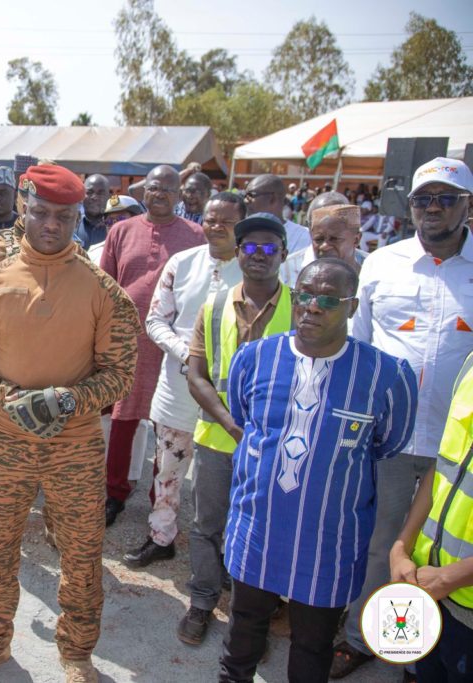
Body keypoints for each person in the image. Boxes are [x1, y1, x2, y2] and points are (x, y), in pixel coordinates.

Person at [0, 164, 139, 683]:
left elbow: (120, 374)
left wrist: (69, 400)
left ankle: (76, 655)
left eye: (64, 215)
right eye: (42, 212)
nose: (52, 223)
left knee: (80, 555)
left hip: (74, 448)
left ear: (79, 216)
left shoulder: (103, 291)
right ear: (25, 208)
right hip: (7, 444)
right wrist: (4, 397)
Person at [219, 258, 418, 683]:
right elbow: (244, 419)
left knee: (312, 646)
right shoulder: (254, 358)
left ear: (353, 306)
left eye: (327, 299)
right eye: (304, 295)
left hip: (330, 539)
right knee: (243, 632)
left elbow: (388, 442)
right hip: (258, 527)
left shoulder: (386, 374)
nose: (311, 307)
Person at [333, 157, 473, 679]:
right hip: (389, 440)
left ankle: (428, 652)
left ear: (467, 204)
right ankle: (368, 638)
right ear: (408, 204)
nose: (433, 208)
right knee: (383, 544)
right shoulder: (383, 262)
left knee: (445, 557)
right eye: (423, 198)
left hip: (460, 451)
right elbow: (361, 349)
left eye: (446, 198)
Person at [179, 213, 294, 646]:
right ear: (238, 252)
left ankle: (251, 621)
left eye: (269, 248)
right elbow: (197, 374)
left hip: (281, 447)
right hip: (217, 441)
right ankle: (203, 602)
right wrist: (230, 424)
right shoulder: (213, 307)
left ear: (283, 254)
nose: (259, 255)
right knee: (208, 525)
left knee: (265, 530)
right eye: (250, 247)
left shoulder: (301, 307)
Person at [124, 192, 245, 569]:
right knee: (168, 469)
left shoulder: (254, 269)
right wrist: (189, 355)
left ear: (242, 223)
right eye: (210, 219)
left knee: (229, 477)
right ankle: (161, 536)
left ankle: (225, 551)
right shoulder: (182, 262)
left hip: (231, 396)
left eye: (226, 220)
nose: (217, 226)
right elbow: (156, 320)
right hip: (177, 388)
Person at [100, 164, 205, 526]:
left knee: (167, 424)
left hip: (173, 346)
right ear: (145, 191)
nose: (160, 194)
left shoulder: (197, 236)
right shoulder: (122, 231)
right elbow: (105, 286)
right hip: (126, 342)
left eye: (168, 189)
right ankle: (114, 493)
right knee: (122, 419)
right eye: (154, 188)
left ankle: (158, 501)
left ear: (180, 195)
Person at [390, 351, 473, 682]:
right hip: (429, 586)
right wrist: (401, 546)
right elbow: (443, 466)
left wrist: (449, 578)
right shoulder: (469, 363)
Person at [281, 204, 366, 286]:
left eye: (334, 239)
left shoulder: (373, 272)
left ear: (356, 240)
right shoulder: (286, 270)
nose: (324, 246)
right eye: (319, 239)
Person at [243, 174, 311, 254]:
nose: (245, 201)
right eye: (245, 196)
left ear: (273, 198)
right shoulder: (240, 232)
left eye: (251, 195)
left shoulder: (305, 237)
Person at [86, 195, 144, 265]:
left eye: (121, 219)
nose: (115, 226)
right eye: (109, 221)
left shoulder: (148, 250)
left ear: (137, 220)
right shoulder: (93, 253)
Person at [75, 174, 110, 248]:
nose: (94, 197)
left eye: (100, 193)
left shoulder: (116, 228)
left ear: (109, 196)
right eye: (89, 192)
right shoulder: (71, 227)